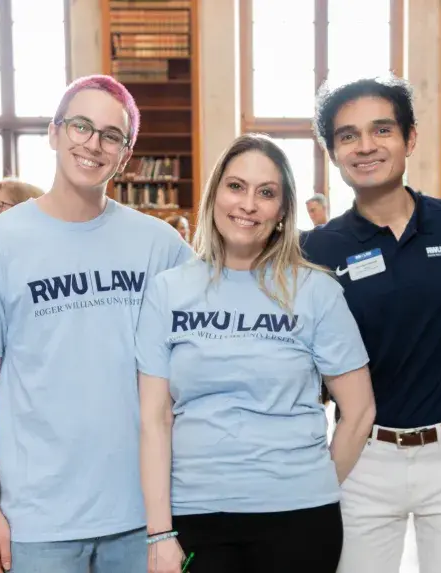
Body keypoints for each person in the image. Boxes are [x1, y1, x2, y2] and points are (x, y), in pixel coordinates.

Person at [0, 74, 193, 573]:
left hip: (142, 515)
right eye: (80, 126)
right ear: (54, 133)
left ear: (126, 154)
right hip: (37, 525)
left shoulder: (160, 247)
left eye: (111, 135)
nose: (93, 144)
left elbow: (214, 330)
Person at [136, 133, 376, 573]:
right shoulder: (168, 291)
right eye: (236, 186)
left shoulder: (316, 291)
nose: (248, 204)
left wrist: (313, 485)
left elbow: (359, 411)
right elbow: (154, 419)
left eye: (266, 193)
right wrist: (159, 532)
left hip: (300, 518)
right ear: (214, 195)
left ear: (283, 211)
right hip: (196, 515)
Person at [300, 76, 441, 573]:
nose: (365, 146)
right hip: (365, 456)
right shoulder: (317, 250)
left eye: (381, 130)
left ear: (410, 138)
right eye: (347, 136)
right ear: (333, 152)